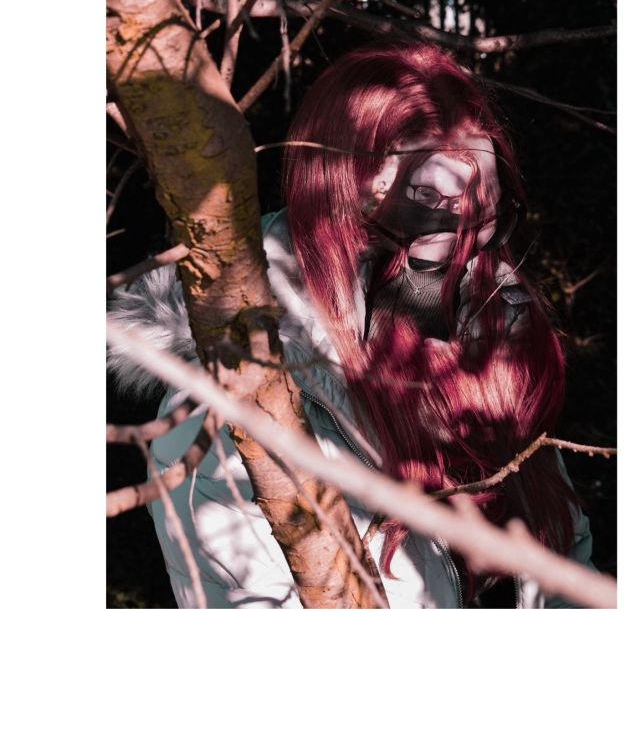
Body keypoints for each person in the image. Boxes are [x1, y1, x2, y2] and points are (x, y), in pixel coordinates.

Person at [108, 42, 597, 608]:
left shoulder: (492, 366)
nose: (457, 255)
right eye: (423, 206)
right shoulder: (234, 412)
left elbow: (567, 575)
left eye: (482, 215)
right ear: (342, 198)